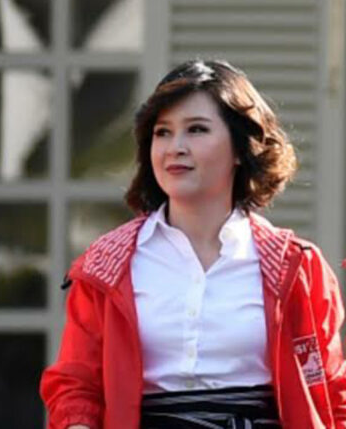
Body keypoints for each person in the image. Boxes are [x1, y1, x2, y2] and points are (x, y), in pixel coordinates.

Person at [40, 59, 346, 428]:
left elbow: (331, 390)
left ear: (239, 148)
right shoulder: (104, 267)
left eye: (196, 129)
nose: (175, 147)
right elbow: (76, 384)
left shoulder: (298, 267)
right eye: (162, 132)